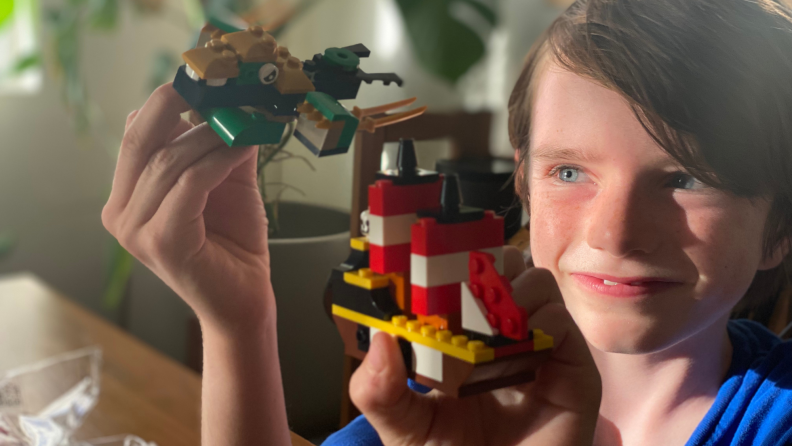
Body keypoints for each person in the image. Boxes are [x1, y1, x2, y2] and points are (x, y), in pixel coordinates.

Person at [102, 0, 792, 444]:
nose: (613, 234)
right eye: (570, 172)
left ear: (781, 225)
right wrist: (239, 323)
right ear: (523, 178)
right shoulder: (443, 387)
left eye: (686, 179)